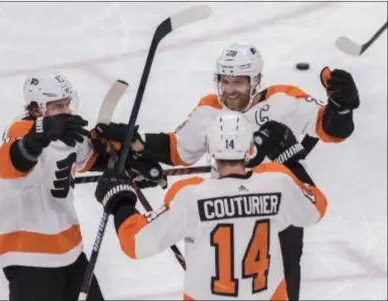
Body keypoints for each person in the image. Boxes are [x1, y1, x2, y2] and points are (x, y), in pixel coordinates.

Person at [93, 43, 359, 300]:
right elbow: (177, 149)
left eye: (238, 82)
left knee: (280, 286)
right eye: (225, 81)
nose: (230, 91)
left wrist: (342, 108)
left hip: (280, 213)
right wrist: (134, 141)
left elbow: (330, 128)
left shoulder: (282, 100)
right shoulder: (210, 109)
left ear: (255, 81)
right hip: (229, 213)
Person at [95, 111, 328, 300]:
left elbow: (136, 243)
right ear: (250, 150)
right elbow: (316, 209)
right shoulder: (278, 181)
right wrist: (291, 161)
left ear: (211, 151)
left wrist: (121, 202)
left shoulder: (191, 196)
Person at [0, 71, 163, 301]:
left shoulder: (66, 134)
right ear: (36, 109)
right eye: (58, 106)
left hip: (68, 251)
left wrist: (124, 157)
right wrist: (37, 137)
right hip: (28, 256)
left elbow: (90, 157)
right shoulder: (20, 133)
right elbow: (7, 164)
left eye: (67, 104)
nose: (67, 112)